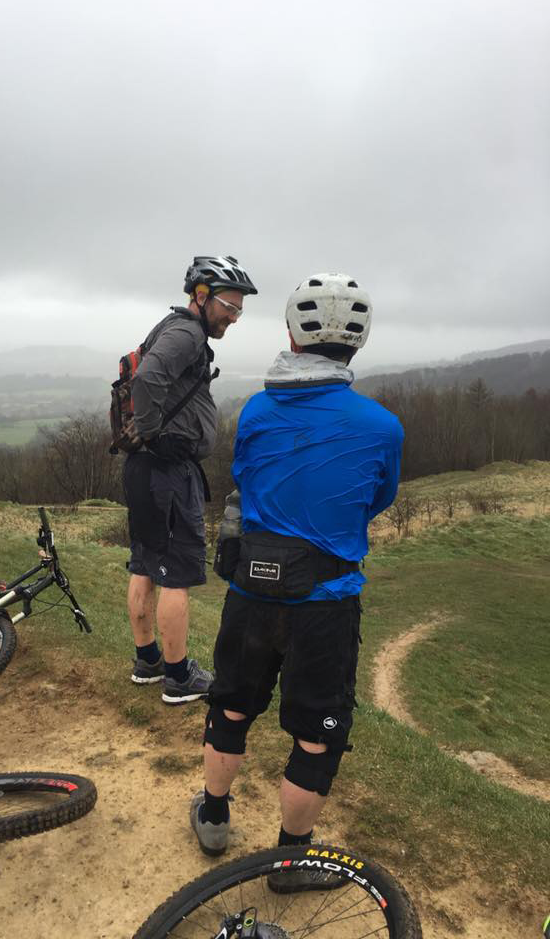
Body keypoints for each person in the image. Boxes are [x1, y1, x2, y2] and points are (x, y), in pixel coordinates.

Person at [190, 273, 404, 882]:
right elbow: (377, 499)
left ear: (292, 335)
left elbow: (246, 478)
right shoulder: (383, 427)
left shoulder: (257, 410)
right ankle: (291, 859)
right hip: (326, 601)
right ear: (358, 342)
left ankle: (212, 817)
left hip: (250, 590)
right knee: (316, 735)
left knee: (232, 706)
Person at [124, 255, 258, 705]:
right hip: (166, 471)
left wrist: (147, 439)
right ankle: (179, 676)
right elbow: (147, 379)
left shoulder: (172, 327)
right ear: (201, 295)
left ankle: (148, 661)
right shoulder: (187, 333)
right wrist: (153, 435)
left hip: (145, 470)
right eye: (229, 306)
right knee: (176, 573)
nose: (233, 317)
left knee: (145, 564)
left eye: (239, 310)